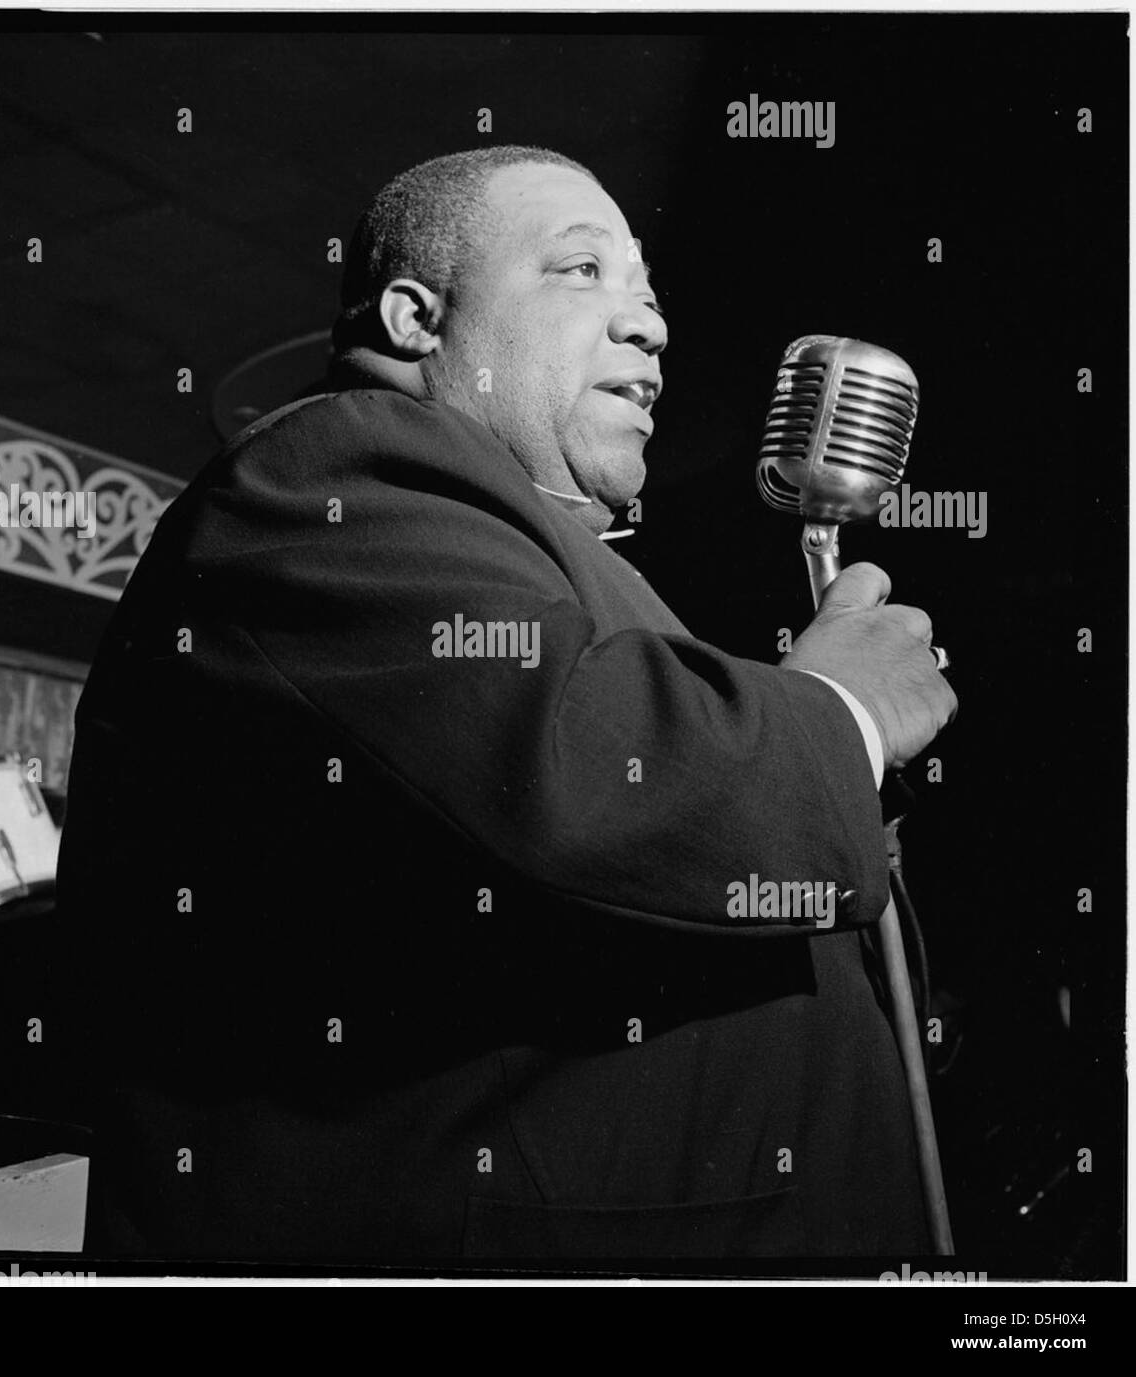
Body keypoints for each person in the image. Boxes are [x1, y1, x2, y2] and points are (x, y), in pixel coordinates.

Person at [55, 145, 957, 1262]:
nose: (649, 326)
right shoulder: (331, 474)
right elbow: (579, 766)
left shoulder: (536, 553)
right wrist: (839, 712)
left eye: (651, 294)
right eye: (582, 271)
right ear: (415, 317)